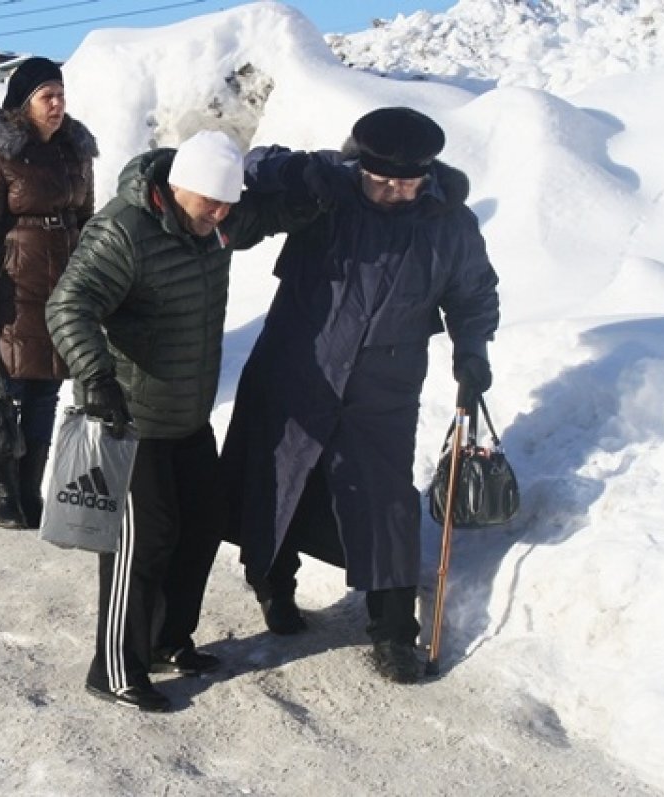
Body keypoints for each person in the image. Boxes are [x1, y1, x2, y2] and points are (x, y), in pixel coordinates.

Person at [220, 107, 500, 685]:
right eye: (381, 179)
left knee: (385, 500)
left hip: (384, 386)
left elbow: (473, 293)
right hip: (297, 368)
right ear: (360, 165)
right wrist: (299, 173)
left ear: (430, 171)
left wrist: (472, 351)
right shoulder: (330, 190)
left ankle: (395, 632)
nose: (394, 191)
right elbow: (252, 165)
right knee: (277, 480)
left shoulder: (450, 223)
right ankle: (274, 587)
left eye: (408, 181)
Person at [46, 130, 322, 712]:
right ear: (177, 190)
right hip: (129, 418)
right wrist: (96, 377)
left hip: (188, 414)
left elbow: (263, 217)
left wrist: (315, 192)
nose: (221, 215)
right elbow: (69, 303)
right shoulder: (123, 230)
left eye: (227, 205)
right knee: (143, 544)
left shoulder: (217, 223)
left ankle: (170, 641)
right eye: (210, 204)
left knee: (202, 526)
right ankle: (115, 667)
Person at [0, 56, 98, 530]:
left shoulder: (75, 148)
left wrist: (93, 286)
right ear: (25, 103)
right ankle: (5, 495)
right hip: (12, 289)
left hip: (64, 289)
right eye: (47, 96)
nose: (58, 104)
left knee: (46, 395)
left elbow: (87, 220)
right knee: (8, 394)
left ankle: (31, 492)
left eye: (61, 94)